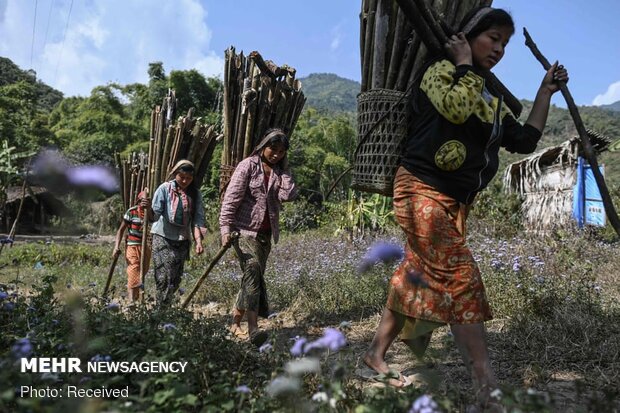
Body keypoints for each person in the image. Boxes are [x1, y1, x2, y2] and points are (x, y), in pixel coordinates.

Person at [361, 6, 568, 410]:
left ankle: (374, 355)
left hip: (454, 203)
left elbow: (524, 140)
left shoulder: (489, 97)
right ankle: (485, 385)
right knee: (460, 276)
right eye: (493, 38)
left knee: (412, 278)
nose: (499, 49)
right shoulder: (441, 71)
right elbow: (454, 107)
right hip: (420, 189)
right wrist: (463, 64)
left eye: (505, 43)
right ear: (468, 36)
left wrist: (544, 92)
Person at [220, 128, 298, 346]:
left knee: (251, 279)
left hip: (265, 235)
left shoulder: (279, 172)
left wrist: (285, 170)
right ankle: (253, 328)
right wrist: (225, 229)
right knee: (253, 269)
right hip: (243, 231)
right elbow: (231, 200)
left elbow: (287, 195)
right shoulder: (247, 166)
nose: (276, 154)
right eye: (273, 149)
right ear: (263, 146)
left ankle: (234, 322)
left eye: (281, 152)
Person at [151, 160, 206, 305]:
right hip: (162, 236)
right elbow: (154, 212)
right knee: (163, 275)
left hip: (182, 238)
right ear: (175, 174)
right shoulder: (164, 189)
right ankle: (160, 309)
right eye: (182, 177)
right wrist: (146, 208)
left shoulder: (195, 194)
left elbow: (198, 219)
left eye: (189, 178)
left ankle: (166, 306)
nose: (185, 180)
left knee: (175, 278)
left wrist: (198, 241)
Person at [112, 190, 152, 302]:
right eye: (143, 201)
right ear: (138, 201)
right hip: (132, 246)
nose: (144, 203)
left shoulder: (150, 213)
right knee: (133, 270)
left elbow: (154, 221)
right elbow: (120, 230)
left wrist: (148, 210)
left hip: (146, 247)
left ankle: (135, 298)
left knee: (142, 272)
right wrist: (116, 247)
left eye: (147, 201)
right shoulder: (131, 212)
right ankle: (131, 301)